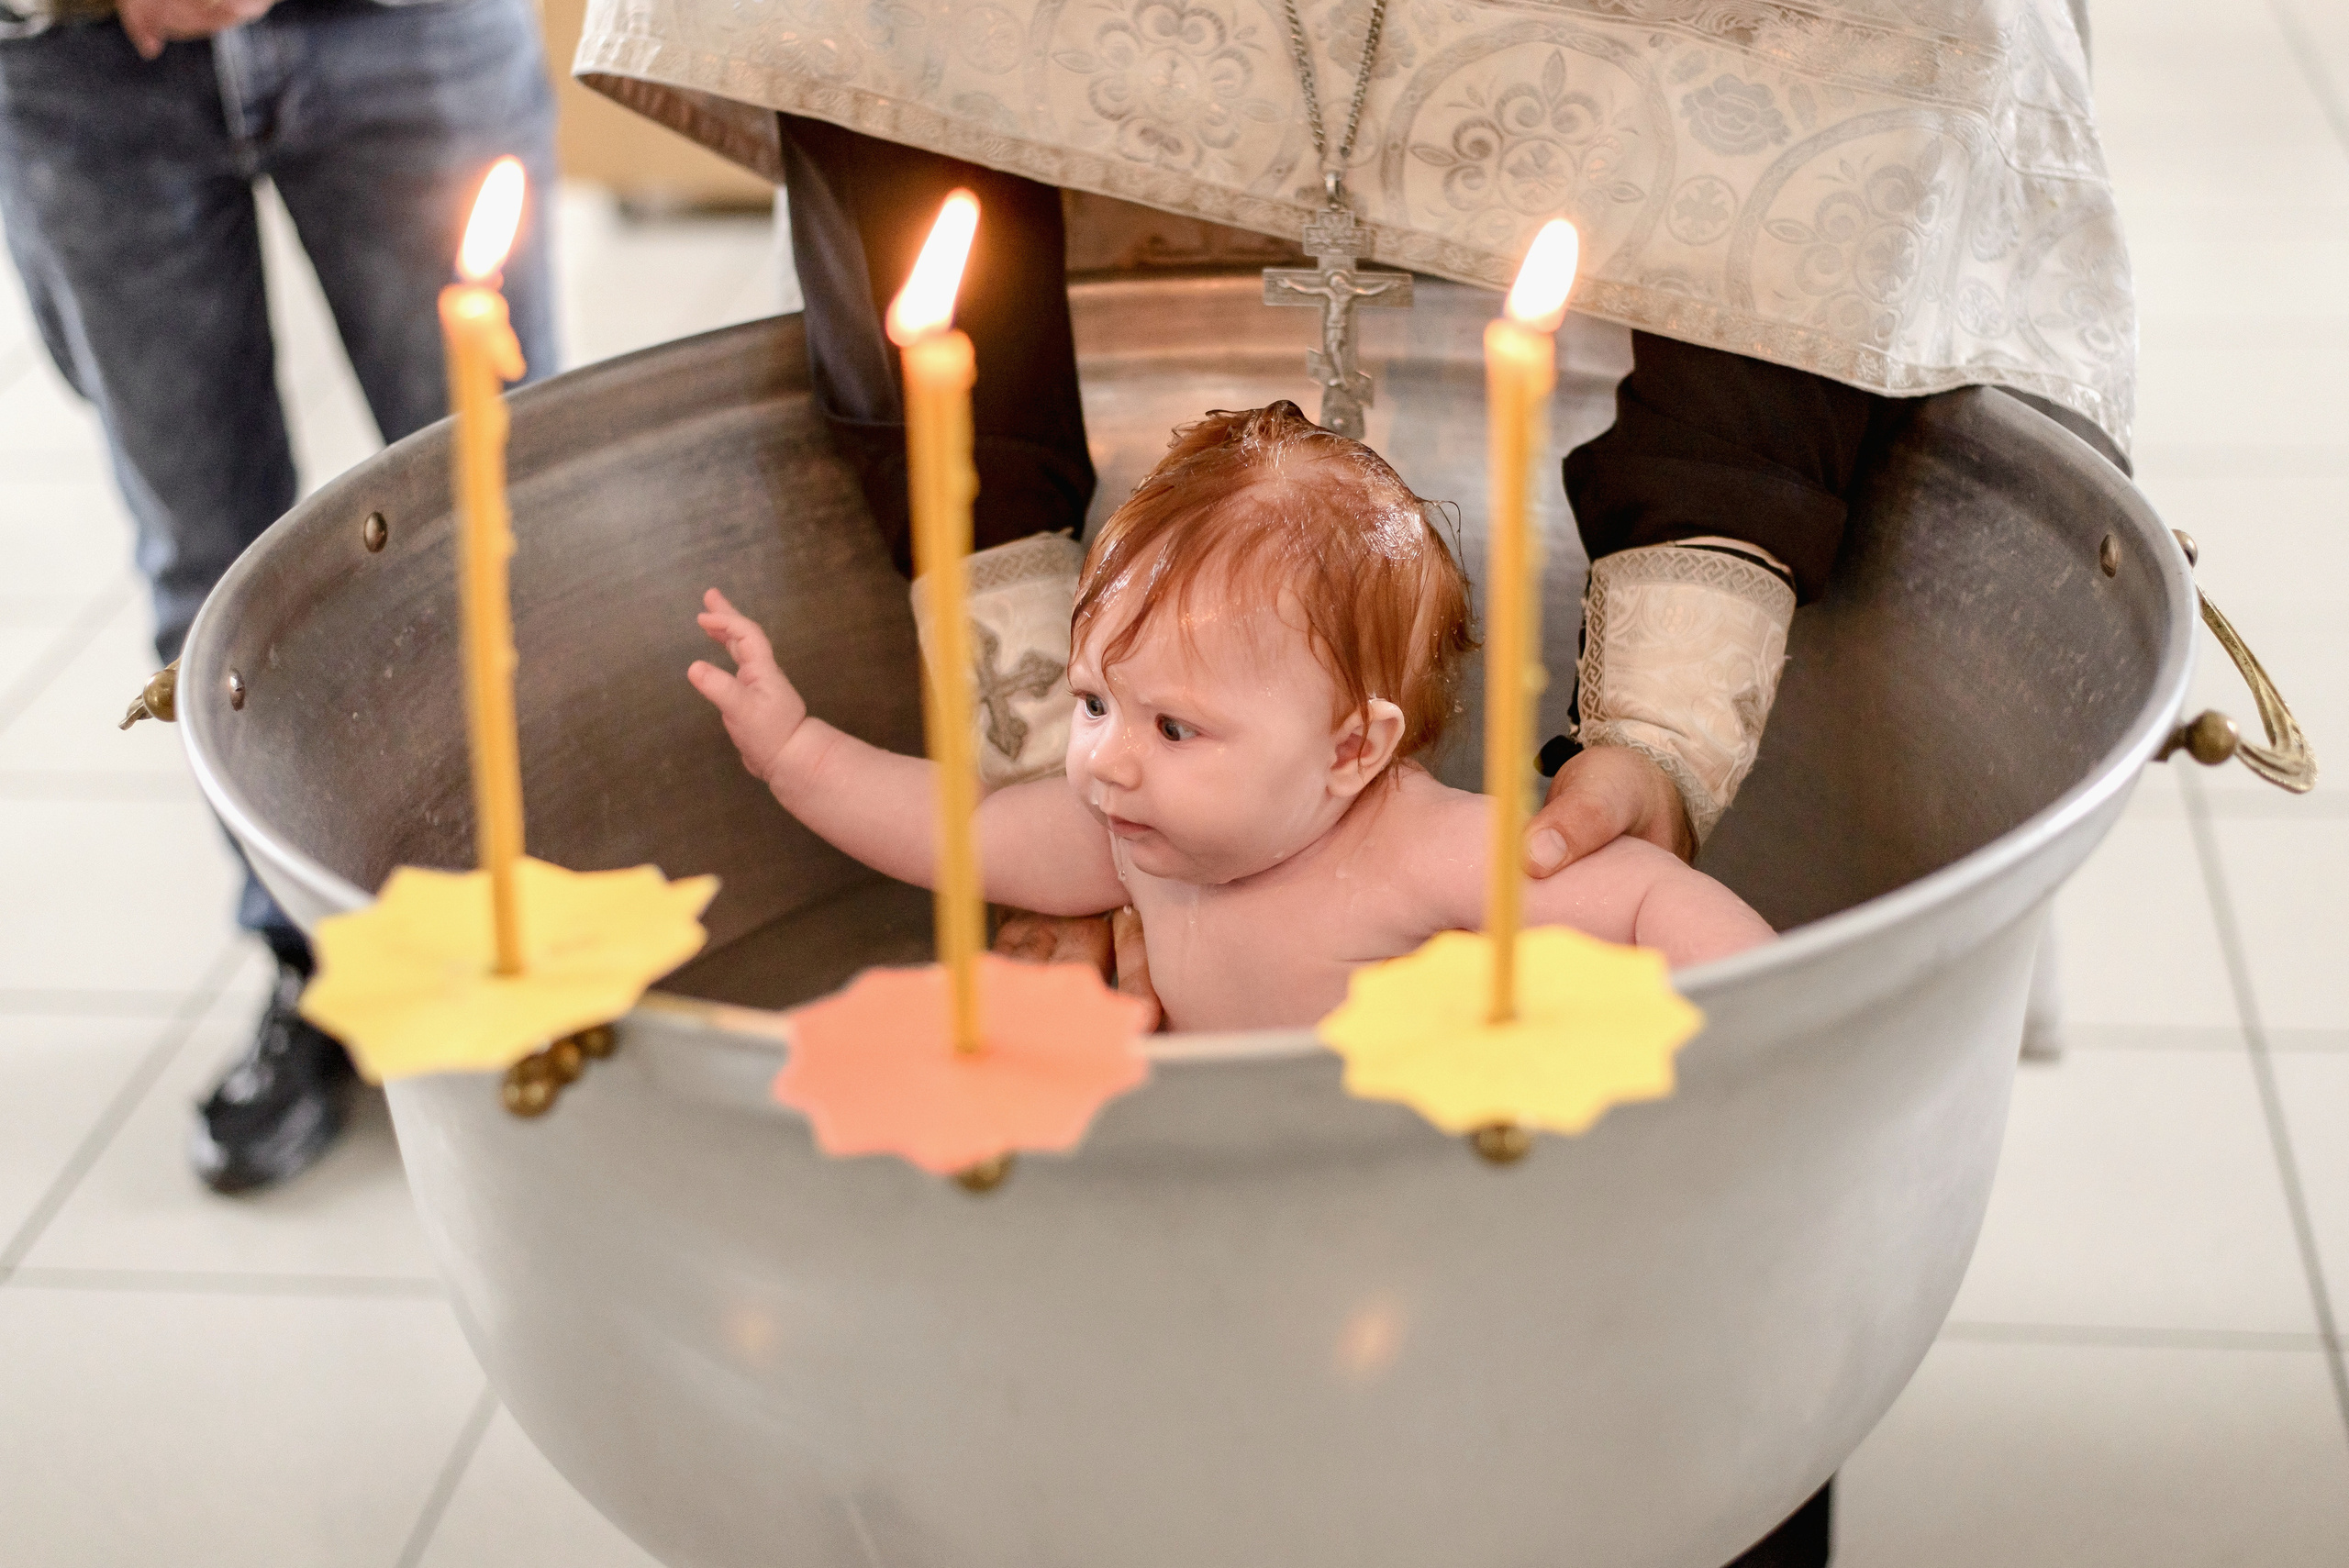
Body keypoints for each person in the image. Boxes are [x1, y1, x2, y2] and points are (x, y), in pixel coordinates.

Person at [688, 402, 1774, 1029]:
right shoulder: (1141, 839)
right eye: (1093, 699)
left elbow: (1649, 904)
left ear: (1352, 746)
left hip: (1400, 1190)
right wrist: (795, 751)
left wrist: (1760, 1037)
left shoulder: (1422, 852)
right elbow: (962, 831)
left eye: (1173, 727)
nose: (1106, 761)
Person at [0, 0, 560, 1191]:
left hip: (405, 28)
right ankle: (314, 961)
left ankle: (546, 920)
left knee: (513, 517)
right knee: (210, 571)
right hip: (70, 60)